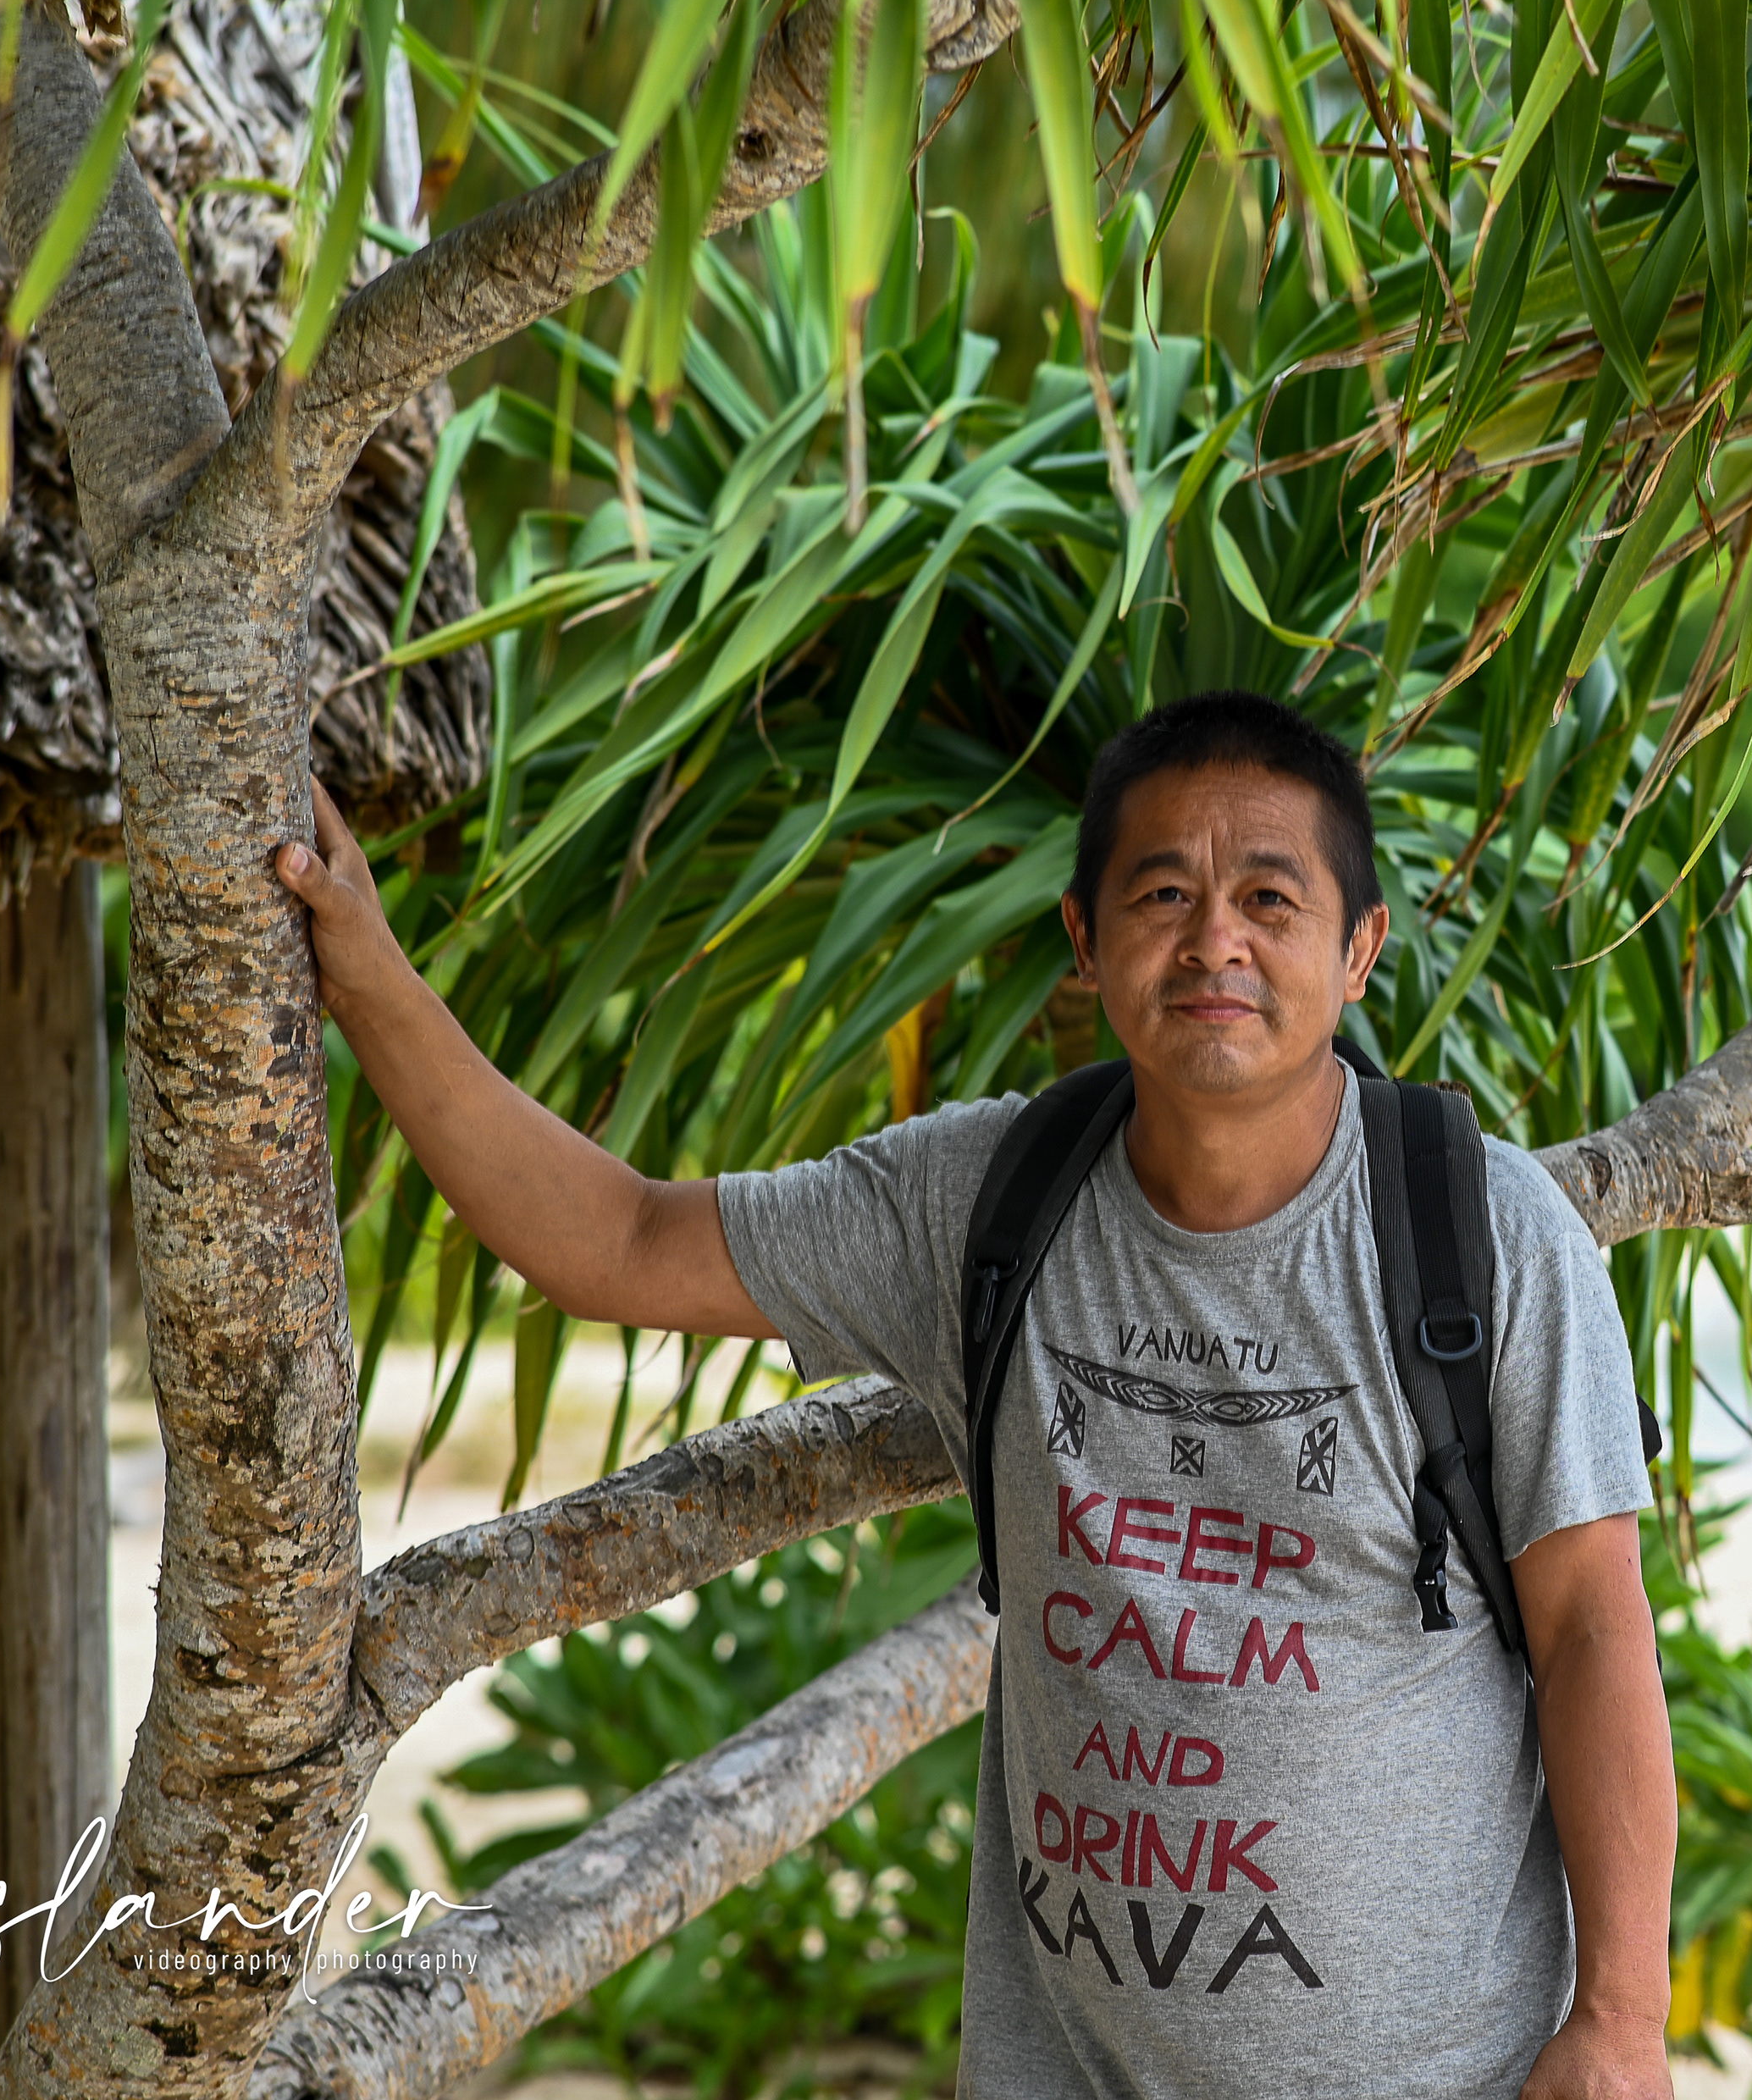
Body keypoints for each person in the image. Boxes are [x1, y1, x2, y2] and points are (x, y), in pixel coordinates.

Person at [279, 688, 1677, 2098]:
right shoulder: (987, 1203)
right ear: (1084, 938)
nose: (1214, 942)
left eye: (1271, 895)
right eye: (1161, 894)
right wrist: (375, 980)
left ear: (1360, 946)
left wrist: (1622, 2024)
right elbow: (621, 1238)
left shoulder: (1481, 1236)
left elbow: (1592, 1628)